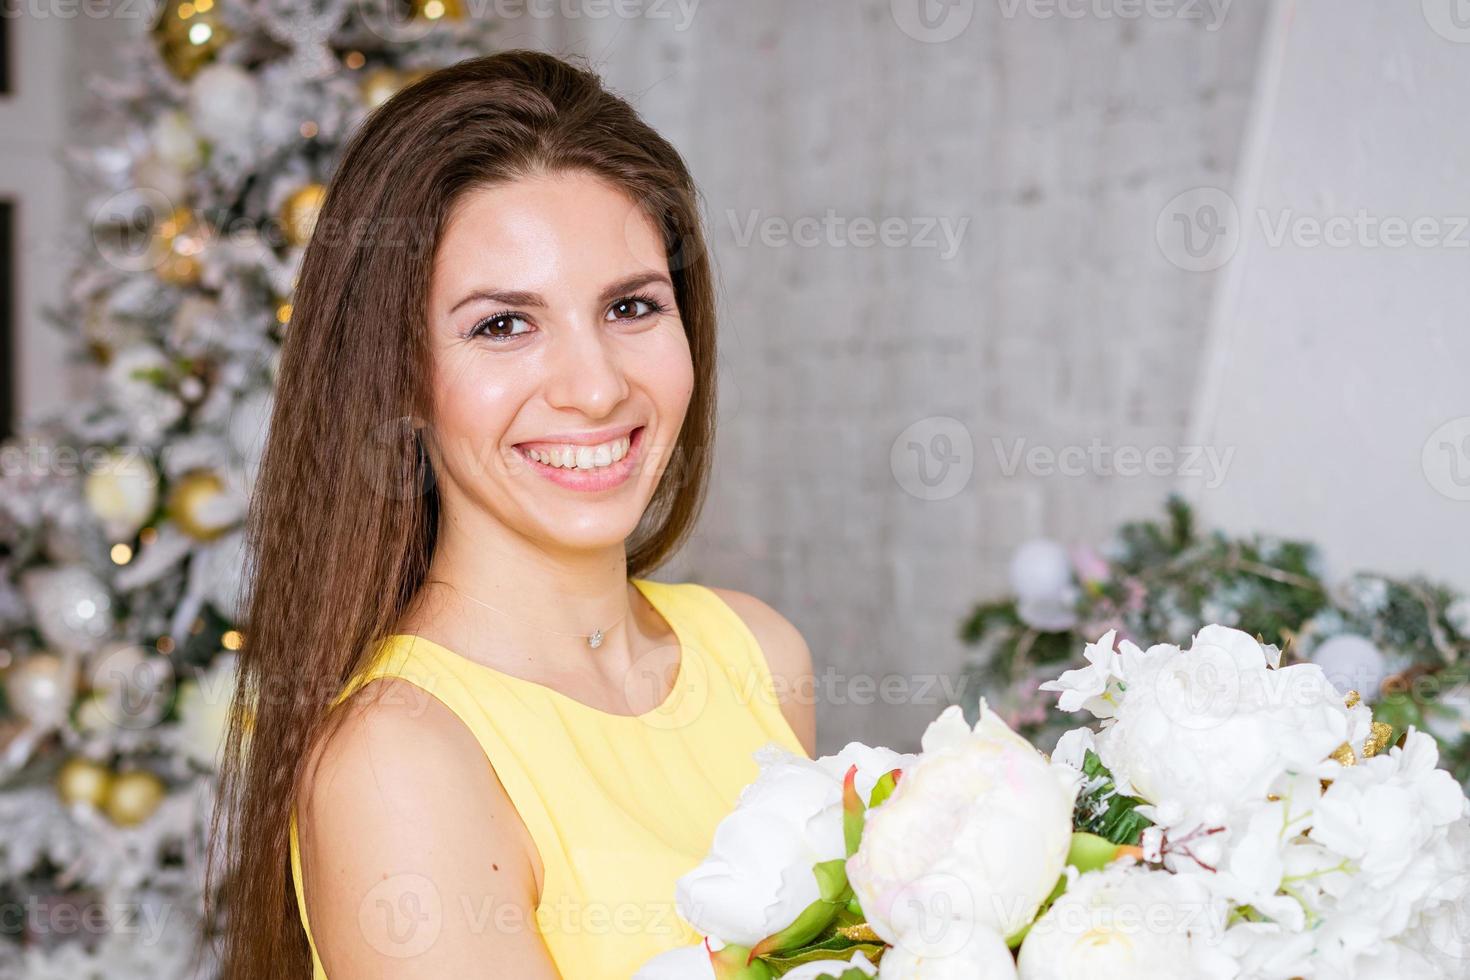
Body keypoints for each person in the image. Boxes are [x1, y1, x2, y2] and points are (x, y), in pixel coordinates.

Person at [212, 50, 816, 979]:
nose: (595, 387)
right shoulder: (399, 763)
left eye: (631, 306)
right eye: (503, 324)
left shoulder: (758, 655)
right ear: (399, 377)